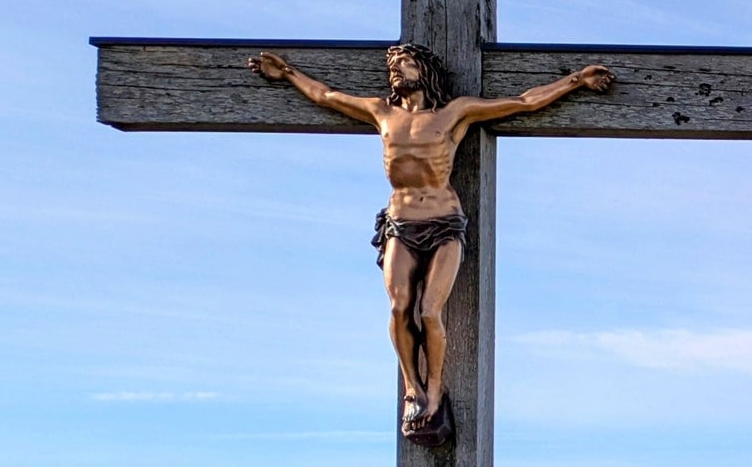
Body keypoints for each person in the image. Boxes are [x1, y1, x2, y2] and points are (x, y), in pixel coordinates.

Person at [249, 43, 613, 443]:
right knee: (399, 305)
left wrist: (577, 80)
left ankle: (435, 387)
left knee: (428, 311)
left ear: (423, 70)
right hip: (400, 222)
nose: (395, 71)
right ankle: (412, 386)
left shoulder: (453, 114)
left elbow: (523, 103)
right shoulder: (381, 113)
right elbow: (327, 96)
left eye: (403, 63)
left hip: (443, 222)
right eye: (392, 66)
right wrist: (287, 74)